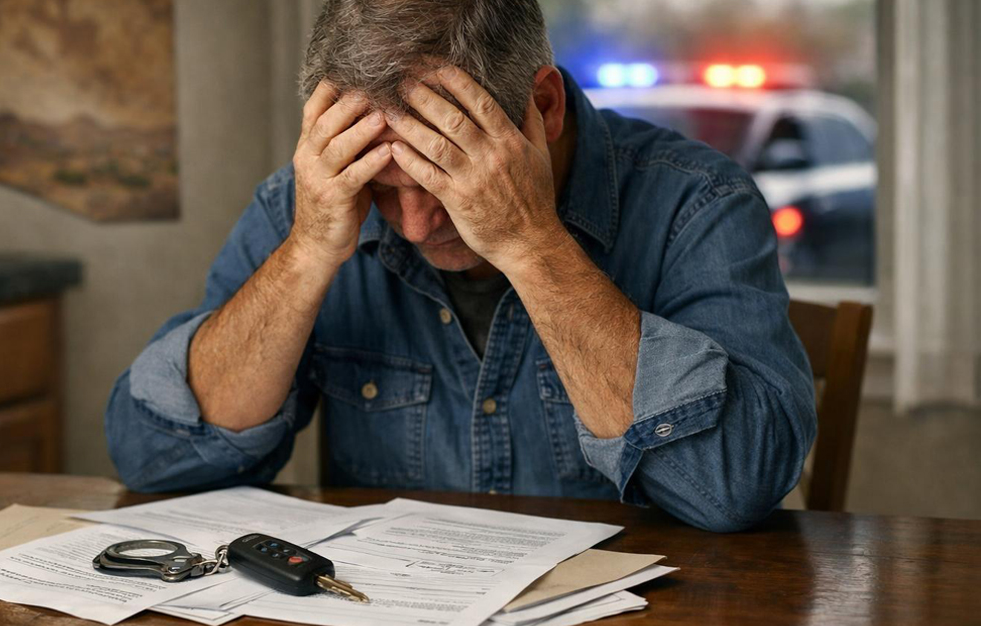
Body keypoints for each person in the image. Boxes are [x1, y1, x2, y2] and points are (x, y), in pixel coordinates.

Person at [105, 0, 816, 533]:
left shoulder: (698, 202)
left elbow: (733, 485)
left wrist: (529, 244)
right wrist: (308, 252)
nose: (415, 224)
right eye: (385, 189)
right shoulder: (312, 204)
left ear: (543, 105)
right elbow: (153, 457)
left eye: (447, 179)